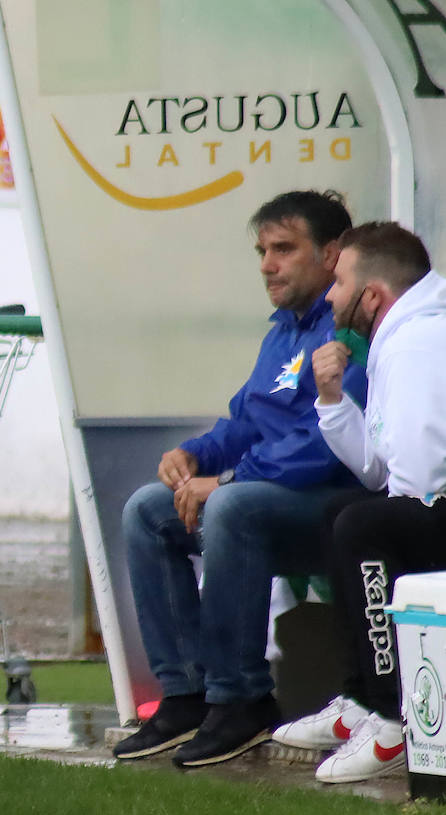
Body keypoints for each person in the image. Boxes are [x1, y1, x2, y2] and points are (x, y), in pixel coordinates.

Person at [113, 190, 370, 768]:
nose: (267, 265)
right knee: (148, 510)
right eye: (261, 251)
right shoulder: (284, 330)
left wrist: (228, 483)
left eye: (283, 248)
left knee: (232, 508)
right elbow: (247, 421)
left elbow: (327, 444)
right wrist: (192, 455)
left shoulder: (350, 329)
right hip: (270, 500)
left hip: (339, 509)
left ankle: (242, 701)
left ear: (332, 255)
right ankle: (186, 695)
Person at [274, 222, 446, 783]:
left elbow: (417, 481)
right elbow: (376, 467)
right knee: (342, 514)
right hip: (431, 502)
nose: (330, 295)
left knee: (361, 524)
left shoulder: (418, 343)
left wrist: (384, 515)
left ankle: (393, 717)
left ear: (373, 296)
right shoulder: (400, 338)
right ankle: (358, 704)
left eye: (340, 281)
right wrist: (331, 400)